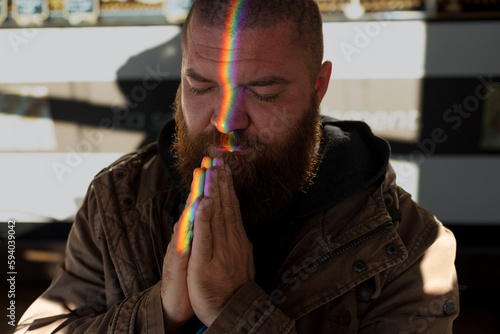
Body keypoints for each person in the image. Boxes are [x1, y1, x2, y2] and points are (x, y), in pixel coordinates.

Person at [16, 0, 459, 333]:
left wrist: (235, 310)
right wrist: (161, 312)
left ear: (318, 86)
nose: (226, 120)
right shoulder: (118, 198)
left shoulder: (408, 246)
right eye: (201, 86)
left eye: (264, 91)